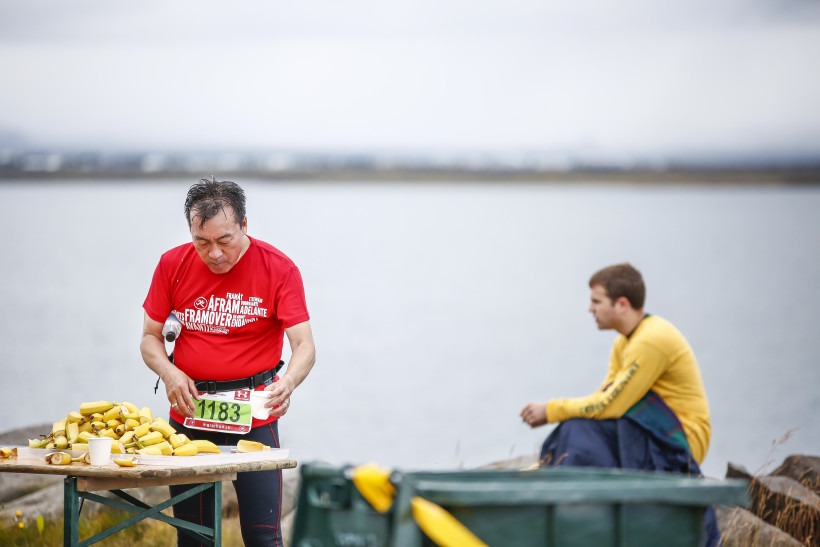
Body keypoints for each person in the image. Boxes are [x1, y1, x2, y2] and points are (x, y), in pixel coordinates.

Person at [141, 177, 316, 547]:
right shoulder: (172, 264)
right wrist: (169, 372)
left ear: (244, 226)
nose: (215, 254)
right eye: (201, 242)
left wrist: (288, 382)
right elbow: (150, 338)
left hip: (254, 414)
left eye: (225, 240)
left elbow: (304, 346)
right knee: (193, 539)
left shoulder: (279, 268)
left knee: (263, 538)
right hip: (190, 410)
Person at [520, 263, 719, 545]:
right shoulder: (624, 343)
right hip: (651, 432)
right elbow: (605, 402)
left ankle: (574, 515)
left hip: (680, 441)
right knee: (579, 427)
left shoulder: (651, 339)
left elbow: (610, 406)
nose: (590, 309)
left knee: (578, 429)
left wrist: (551, 410)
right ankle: (558, 485)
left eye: (596, 301)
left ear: (622, 304)